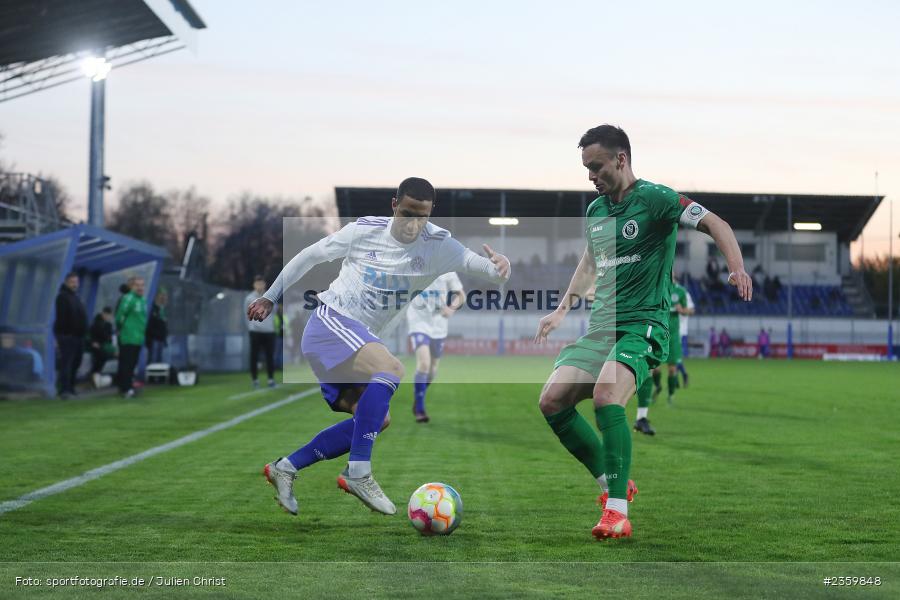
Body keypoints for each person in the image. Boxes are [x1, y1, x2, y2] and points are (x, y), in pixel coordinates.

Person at [533, 124, 751, 539]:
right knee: (552, 401)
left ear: (621, 159)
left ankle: (616, 513)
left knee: (605, 395)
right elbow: (590, 264)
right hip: (600, 329)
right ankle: (613, 483)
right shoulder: (596, 212)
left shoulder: (656, 199)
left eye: (596, 166)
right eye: (585, 168)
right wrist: (562, 309)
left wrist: (736, 266)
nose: (590, 176)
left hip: (642, 325)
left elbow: (716, 223)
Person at [249, 177, 509, 517]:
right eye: (406, 213)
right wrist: (270, 296)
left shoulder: (439, 244)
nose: (413, 224)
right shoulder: (364, 231)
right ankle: (358, 473)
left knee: (376, 419)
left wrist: (501, 267)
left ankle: (287, 467)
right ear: (393, 206)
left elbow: (486, 270)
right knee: (392, 369)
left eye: (422, 216)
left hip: (354, 339)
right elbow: (309, 256)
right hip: (331, 322)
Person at [405, 271, 465, 423]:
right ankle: (420, 409)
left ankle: (419, 394)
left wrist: (451, 308)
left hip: (439, 323)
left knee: (432, 370)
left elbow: (461, 295)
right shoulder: (416, 260)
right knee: (424, 364)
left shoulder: (448, 269)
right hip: (418, 320)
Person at [647, 274, 695, 412]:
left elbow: (690, 311)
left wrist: (682, 310)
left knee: (672, 368)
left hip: (674, 335)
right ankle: (657, 386)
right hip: (658, 333)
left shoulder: (680, 291)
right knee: (654, 367)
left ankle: (670, 396)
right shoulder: (657, 289)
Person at [54, 272, 88, 398]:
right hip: (68, 336)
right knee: (67, 363)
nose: (75, 284)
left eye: (76, 282)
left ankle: (71, 387)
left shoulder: (75, 297)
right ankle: (64, 390)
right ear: (66, 282)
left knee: (75, 363)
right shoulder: (63, 297)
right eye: (72, 282)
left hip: (78, 336)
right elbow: (61, 318)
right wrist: (65, 334)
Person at [116, 276, 147, 398]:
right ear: (132, 287)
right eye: (137, 285)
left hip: (138, 337)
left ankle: (128, 386)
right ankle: (125, 388)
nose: (140, 287)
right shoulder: (128, 298)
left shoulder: (143, 300)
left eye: (142, 285)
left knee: (132, 364)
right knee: (126, 363)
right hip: (128, 336)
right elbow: (119, 317)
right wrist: (123, 329)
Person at [245, 276, 277, 388]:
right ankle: (255, 379)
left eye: (261, 283)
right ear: (254, 285)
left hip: (269, 331)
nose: (259, 285)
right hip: (255, 331)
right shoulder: (249, 298)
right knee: (254, 356)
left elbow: (274, 312)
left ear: (265, 284)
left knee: (270, 356)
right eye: (257, 283)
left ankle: (271, 379)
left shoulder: (271, 297)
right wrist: (251, 327)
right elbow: (246, 314)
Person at [89, 307, 116, 386]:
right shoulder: (96, 324)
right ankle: (95, 375)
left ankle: (97, 375)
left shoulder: (108, 325)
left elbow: (109, 338)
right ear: (103, 314)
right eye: (108, 315)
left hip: (105, 346)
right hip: (98, 346)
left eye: (110, 315)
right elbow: (92, 336)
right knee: (101, 355)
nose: (109, 317)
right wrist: (93, 342)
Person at [145, 290, 168, 363]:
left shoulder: (162, 310)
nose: (163, 298)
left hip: (161, 340)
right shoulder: (151, 309)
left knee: (160, 361)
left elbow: (164, 325)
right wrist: (155, 335)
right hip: (154, 340)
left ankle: (158, 374)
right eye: (161, 295)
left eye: (165, 296)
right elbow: (149, 325)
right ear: (156, 297)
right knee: (153, 360)